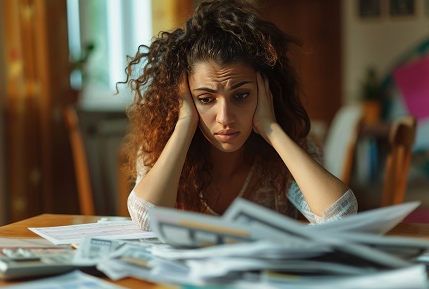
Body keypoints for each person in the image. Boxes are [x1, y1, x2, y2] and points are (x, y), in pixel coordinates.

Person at [119, 0, 358, 231]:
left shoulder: (284, 153)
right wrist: (184, 123)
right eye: (206, 99)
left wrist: (270, 128)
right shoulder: (160, 147)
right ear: (186, 99)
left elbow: (341, 217)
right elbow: (146, 220)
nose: (225, 117)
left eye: (241, 96)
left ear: (265, 93)